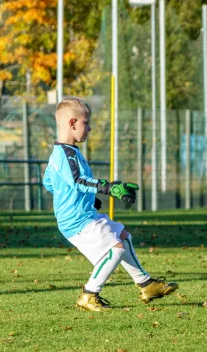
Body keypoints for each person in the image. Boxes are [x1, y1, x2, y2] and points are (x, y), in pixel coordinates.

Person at [43, 97, 178, 311]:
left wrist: (84, 198)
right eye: (86, 123)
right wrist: (109, 188)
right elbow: (78, 180)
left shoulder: (61, 153)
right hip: (77, 221)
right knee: (115, 249)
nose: (89, 128)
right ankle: (89, 294)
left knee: (123, 237)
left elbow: (50, 183)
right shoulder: (67, 155)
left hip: (84, 214)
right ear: (72, 123)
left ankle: (146, 284)